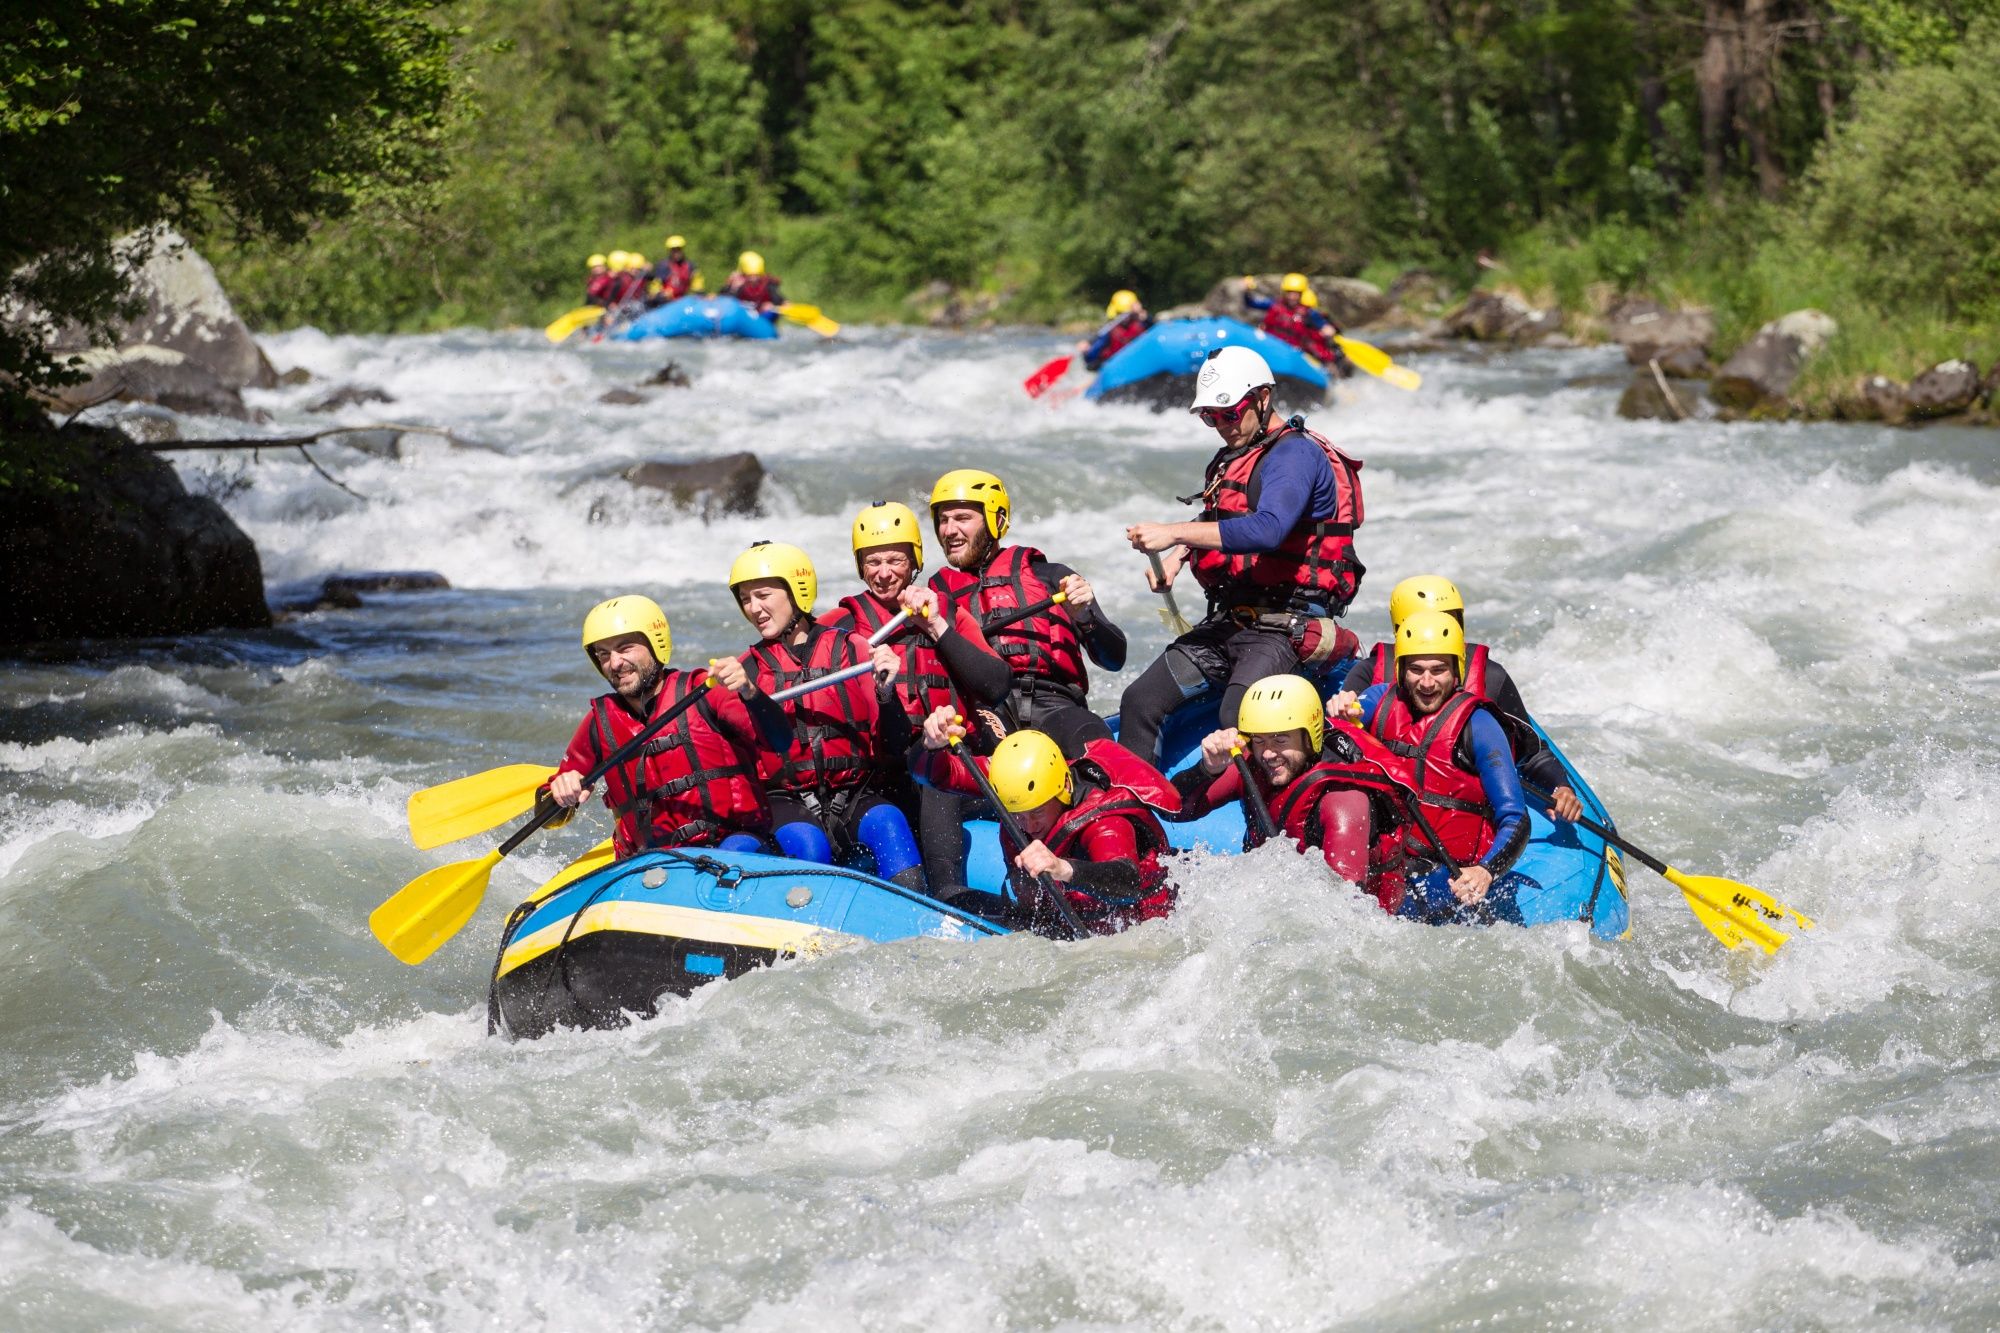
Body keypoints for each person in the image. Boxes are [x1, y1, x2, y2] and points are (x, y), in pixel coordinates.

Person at [1120, 344, 1365, 767]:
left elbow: (1269, 528)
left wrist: (1172, 531)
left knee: (1238, 716)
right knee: (1140, 699)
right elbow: (1224, 515)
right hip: (1231, 621)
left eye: (1229, 414)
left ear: (1262, 398)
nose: (1221, 426)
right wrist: (1180, 553)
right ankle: (1134, 805)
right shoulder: (1238, 454)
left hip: (1288, 623)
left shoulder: (1295, 455)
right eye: (1210, 417)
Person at [721, 541, 925, 888]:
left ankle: (917, 916)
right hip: (786, 802)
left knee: (888, 822)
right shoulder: (745, 672)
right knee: (808, 844)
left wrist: (886, 693)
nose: (754, 608)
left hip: (854, 793)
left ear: (797, 591)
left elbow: (896, 742)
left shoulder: (851, 650)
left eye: (763, 595)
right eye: (745, 599)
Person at [546, 595, 791, 858]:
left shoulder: (705, 692)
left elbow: (779, 741)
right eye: (604, 654)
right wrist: (561, 793)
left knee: (737, 850)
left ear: (656, 644)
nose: (615, 663)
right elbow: (551, 818)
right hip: (652, 863)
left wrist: (750, 692)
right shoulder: (599, 723)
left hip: (733, 848)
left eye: (625, 648)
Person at [1329, 610, 1532, 921]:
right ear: (1401, 671)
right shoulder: (1380, 699)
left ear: (1456, 672)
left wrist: (1485, 871)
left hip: (1448, 877)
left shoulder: (1479, 725)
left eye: (1438, 670)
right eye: (1416, 670)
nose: (1426, 682)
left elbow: (1516, 818)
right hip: (1388, 866)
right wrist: (1342, 714)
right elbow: (1349, 719)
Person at [913, 709, 1179, 935]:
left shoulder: (1104, 822)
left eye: (1037, 812)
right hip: (1051, 919)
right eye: (1017, 814)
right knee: (949, 899)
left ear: (1064, 788)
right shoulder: (1012, 784)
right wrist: (931, 745)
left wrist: (1064, 868)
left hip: (1125, 930)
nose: (1027, 825)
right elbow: (937, 774)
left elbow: (1128, 882)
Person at [1342, 575, 1583, 822]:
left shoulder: (1490, 676)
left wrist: (1560, 786)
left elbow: (1529, 752)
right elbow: (1343, 731)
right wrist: (1343, 710)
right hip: (1389, 808)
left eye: (1449, 619)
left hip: (1461, 809)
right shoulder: (1370, 673)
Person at [1170, 673, 1417, 913]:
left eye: (1280, 740)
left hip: (1346, 918)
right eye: (1259, 740)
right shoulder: (1255, 765)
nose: (1268, 753)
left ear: (1309, 738)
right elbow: (1176, 811)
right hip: (1272, 894)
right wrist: (1207, 769)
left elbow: (1346, 911)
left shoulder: (1343, 801)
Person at [923, 468, 1126, 755]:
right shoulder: (935, 600)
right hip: (986, 712)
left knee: (1095, 742)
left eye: (962, 518)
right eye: (943, 520)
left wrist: (1084, 617)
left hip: (1054, 704)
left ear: (997, 520)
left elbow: (1115, 659)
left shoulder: (1050, 576)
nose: (949, 530)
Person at [1243, 271, 1344, 370]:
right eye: (1289, 293)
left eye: (1296, 294)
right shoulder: (1273, 304)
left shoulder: (1308, 312)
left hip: (1293, 353)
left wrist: (1328, 329)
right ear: (1284, 293)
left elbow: (1324, 325)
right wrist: (1246, 291)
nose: (1292, 297)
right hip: (1271, 346)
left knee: (1326, 361)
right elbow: (1251, 303)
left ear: (1301, 294)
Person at [1078, 289, 1153, 371]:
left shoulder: (1144, 322)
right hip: (1121, 368)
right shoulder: (1110, 331)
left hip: (1139, 364)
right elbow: (1091, 356)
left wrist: (1146, 318)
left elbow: (1155, 329)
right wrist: (1086, 350)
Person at [722, 251, 783, 315]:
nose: (753, 279)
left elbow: (779, 300)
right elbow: (722, 302)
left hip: (761, 316)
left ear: (760, 274)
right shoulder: (736, 283)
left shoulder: (767, 283)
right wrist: (733, 288)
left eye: (756, 275)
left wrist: (772, 305)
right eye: (749, 276)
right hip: (741, 316)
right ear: (743, 274)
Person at [651, 235, 699, 302]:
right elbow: (655, 287)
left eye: (678, 250)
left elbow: (697, 286)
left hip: (682, 300)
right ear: (670, 251)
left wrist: (701, 294)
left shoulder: (690, 266)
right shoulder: (664, 266)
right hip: (666, 301)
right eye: (673, 250)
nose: (676, 253)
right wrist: (660, 294)